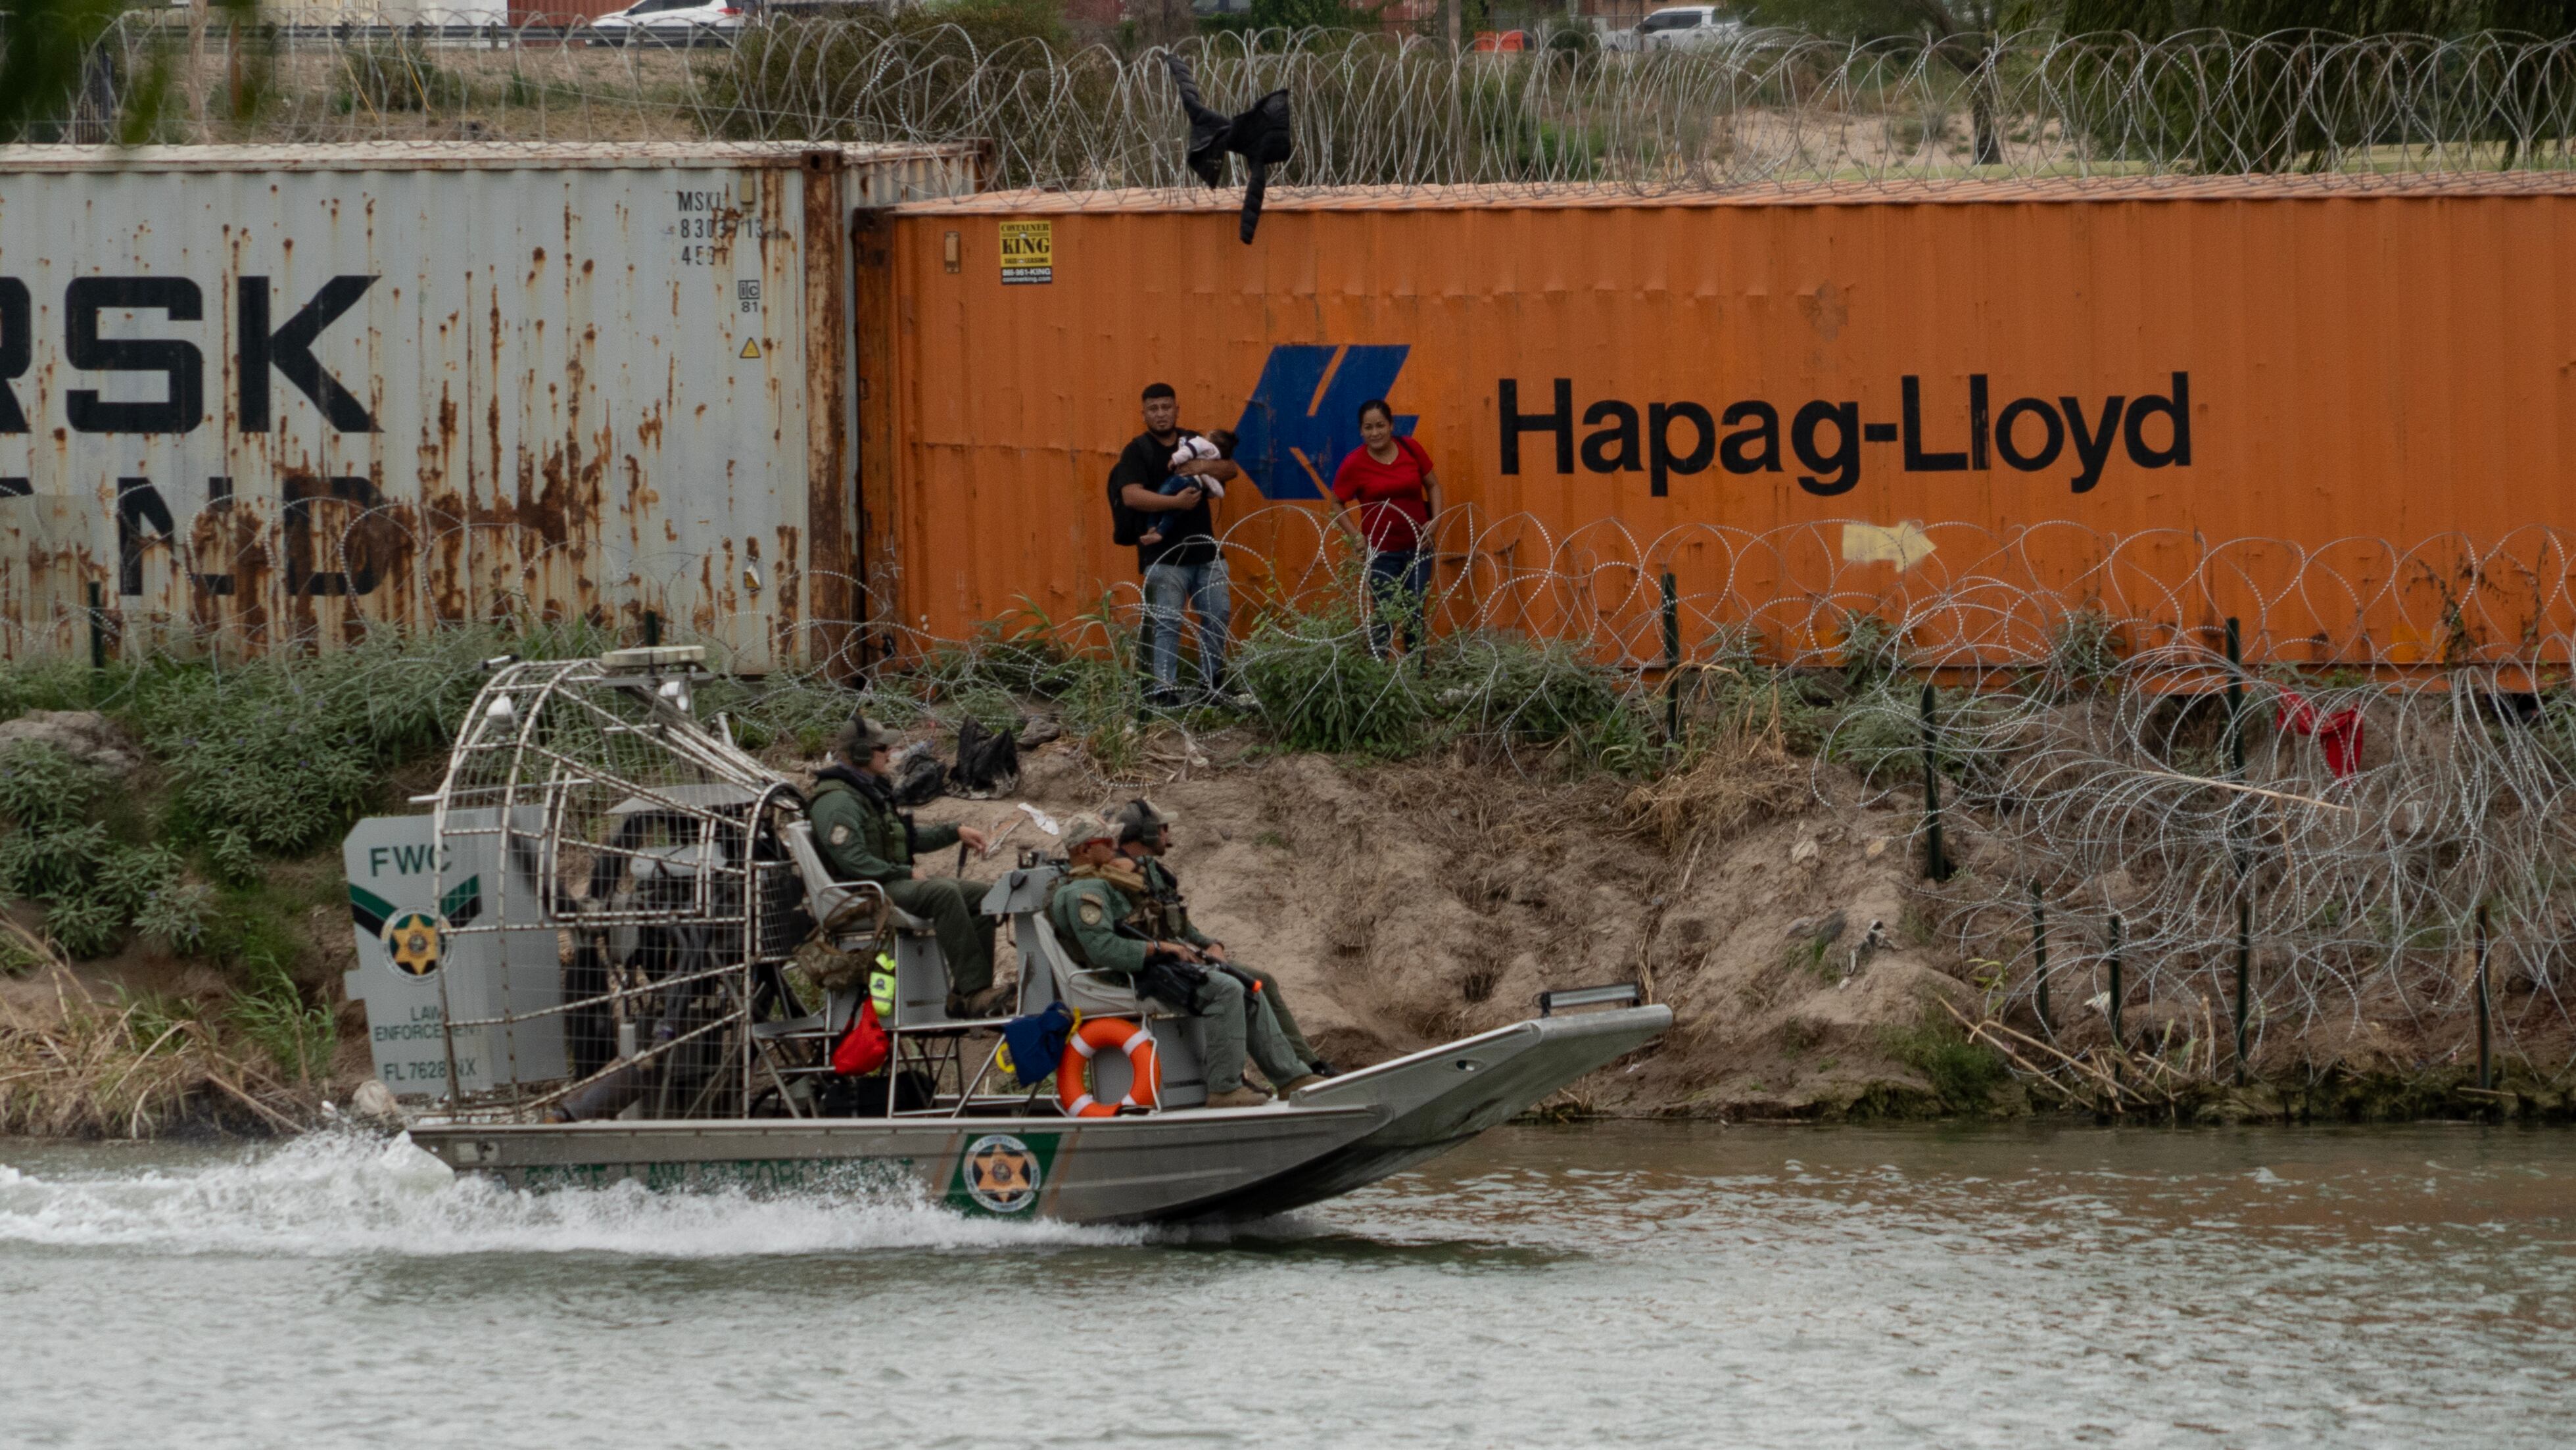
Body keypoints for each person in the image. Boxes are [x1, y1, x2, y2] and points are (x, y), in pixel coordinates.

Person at [1047, 815, 1316, 1109]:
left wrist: (1178, 946)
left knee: (1245, 981)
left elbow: (1159, 921)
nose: (1115, 848)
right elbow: (1103, 950)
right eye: (1107, 843)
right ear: (1085, 851)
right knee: (1224, 989)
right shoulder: (1083, 893)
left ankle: (1292, 1077)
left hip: (1149, 966)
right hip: (1124, 975)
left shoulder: (1108, 883)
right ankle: (1225, 1089)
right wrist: (1159, 948)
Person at [1110, 796, 1331, 1076]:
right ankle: (1281, 1076)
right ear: (1149, 832)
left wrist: (1211, 944)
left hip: (1176, 956)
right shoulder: (1116, 877)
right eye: (1163, 827)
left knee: (1265, 981)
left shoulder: (1152, 871)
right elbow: (1121, 937)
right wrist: (1168, 950)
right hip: (1157, 966)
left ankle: (1310, 1066)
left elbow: (1178, 925)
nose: (1168, 834)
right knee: (1239, 987)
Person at [807, 715, 1008, 1019]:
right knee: (942, 893)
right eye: (881, 748)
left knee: (984, 896)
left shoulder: (868, 792)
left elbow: (905, 837)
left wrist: (954, 832)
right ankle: (975, 992)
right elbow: (853, 860)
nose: (889, 753)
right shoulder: (837, 801)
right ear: (861, 752)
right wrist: (903, 873)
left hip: (883, 882)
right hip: (864, 892)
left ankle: (966, 996)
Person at [1109, 382, 1243, 706]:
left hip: (1205, 551)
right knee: (1166, 622)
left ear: (1176, 409)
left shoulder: (1193, 440)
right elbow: (1131, 495)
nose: (1161, 414)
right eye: (1154, 409)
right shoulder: (1137, 450)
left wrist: (1202, 467)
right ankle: (1162, 691)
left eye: (1166, 407)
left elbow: (1230, 469)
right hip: (1164, 555)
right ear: (1144, 414)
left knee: (1217, 616)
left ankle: (1211, 687)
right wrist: (1174, 504)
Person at [1329, 399, 1443, 660]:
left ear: (1391, 425)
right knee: (1384, 615)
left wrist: (1435, 522)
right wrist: (1356, 537)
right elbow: (1336, 501)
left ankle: (1417, 675)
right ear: (1361, 431)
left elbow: (1433, 486)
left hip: (1419, 547)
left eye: (1380, 425)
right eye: (1368, 427)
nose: (1375, 433)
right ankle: (1378, 679)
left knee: (1414, 613)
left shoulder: (1410, 449)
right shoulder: (1354, 463)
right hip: (1381, 553)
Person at [1139, 428, 1238, 549]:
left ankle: (1152, 525)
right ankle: (1160, 532)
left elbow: (1188, 450)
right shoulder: (1216, 457)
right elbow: (1214, 486)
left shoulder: (1202, 443)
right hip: (1196, 486)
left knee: (1160, 498)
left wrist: (1175, 459)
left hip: (1182, 479)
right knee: (1172, 513)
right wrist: (1215, 492)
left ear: (1212, 436)